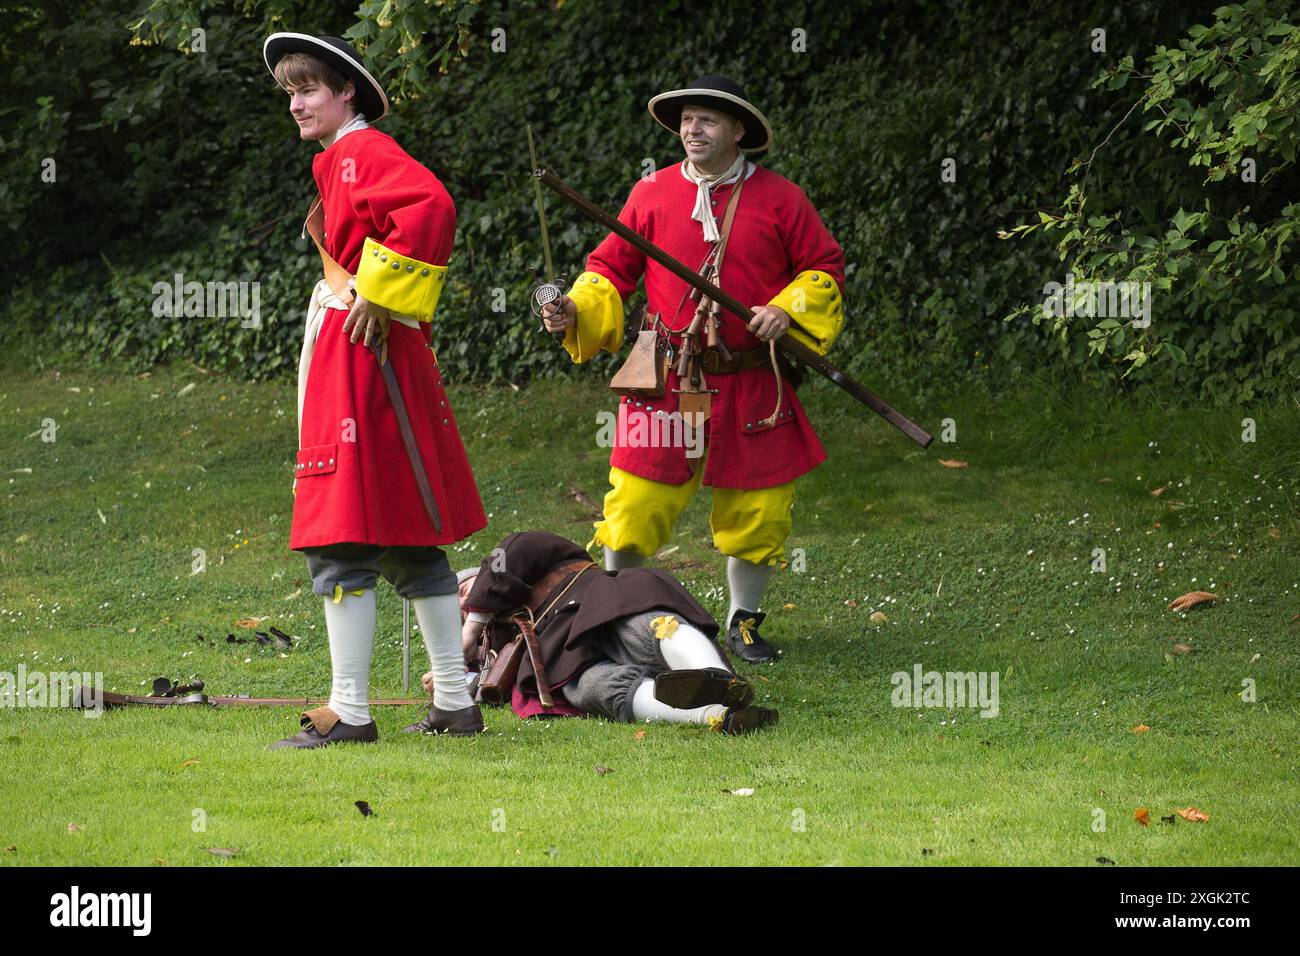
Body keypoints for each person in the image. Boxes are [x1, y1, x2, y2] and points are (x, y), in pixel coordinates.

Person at [540, 75, 846, 665]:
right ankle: (615, 618)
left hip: (752, 378)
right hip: (669, 377)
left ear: (738, 132)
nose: (692, 129)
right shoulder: (652, 193)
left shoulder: (782, 198)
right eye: (686, 120)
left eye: (707, 120)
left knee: (757, 507)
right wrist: (576, 307)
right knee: (634, 505)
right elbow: (609, 269)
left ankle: (743, 622)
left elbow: (824, 268)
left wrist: (787, 308)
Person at [261, 33, 487, 749]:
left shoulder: (360, 152)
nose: (296, 103)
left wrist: (381, 293)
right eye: (290, 93)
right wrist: (381, 294)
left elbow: (433, 206)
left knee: (343, 534)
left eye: (308, 89)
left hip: (366, 356)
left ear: (346, 91)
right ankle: (455, 701)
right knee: (406, 536)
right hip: (370, 351)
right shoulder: (339, 159)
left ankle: (351, 712)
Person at [406, 531, 778, 734]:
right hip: (567, 662)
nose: (462, 602)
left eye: (463, 589)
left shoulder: (515, 555)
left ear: (481, 577)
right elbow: (494, 687)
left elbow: (517, 549)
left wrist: (473, 624)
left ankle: (725, 683)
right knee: (594, 690)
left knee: (645, 627)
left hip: (598, 604)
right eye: (456, 607)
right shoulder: (487, 646)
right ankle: (717, 716)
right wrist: (454, 683)